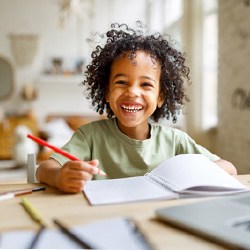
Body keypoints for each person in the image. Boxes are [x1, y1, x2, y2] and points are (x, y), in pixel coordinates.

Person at [36, 22, 237, 193]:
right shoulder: (90, 137)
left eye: (146, 84)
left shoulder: (175, 140)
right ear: (106, 92)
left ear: (160, 97)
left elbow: (229, 168)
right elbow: (44, 168)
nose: (132, 92)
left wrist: (191, 172)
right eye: (122, 82)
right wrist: (58, 176)